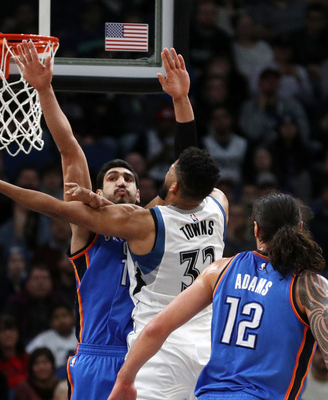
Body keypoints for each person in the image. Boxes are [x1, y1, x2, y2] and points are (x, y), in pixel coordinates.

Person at [12, 42, 207, 400]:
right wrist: (44, 90)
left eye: (128, 179)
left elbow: (187, 168)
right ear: (97, 192)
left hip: (149, 356)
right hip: (97, 356)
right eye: (113, 178)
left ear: (138, 193)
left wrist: (181, 100)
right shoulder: (87, 230)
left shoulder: (151, 222)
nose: (121, 182)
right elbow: (69, 148)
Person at [108, 193, 328, 400]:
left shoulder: (219, 270)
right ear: (300, 228)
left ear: (256, 229)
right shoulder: (310, 286)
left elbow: (156, 328)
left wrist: (125, 379)